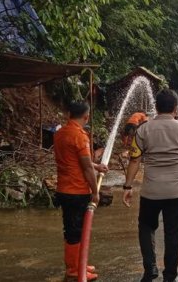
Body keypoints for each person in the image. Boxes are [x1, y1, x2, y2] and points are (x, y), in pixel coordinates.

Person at [123, 89, 178, 282]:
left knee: (146, 227)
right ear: (176, 108)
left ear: (156, 108)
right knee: (173, 233)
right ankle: (170, 275)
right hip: (177, 192)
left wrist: (127, 187)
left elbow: (134, 161)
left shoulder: (143, 129)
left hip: (151, 191)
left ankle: (150, 268)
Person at [53, 102, 109, 281]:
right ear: (86, 117)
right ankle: (74, 269)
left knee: (74, 229)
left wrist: (97, 166)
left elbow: (77, 160)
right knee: (75, 231)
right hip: (76, 190)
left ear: (69, 114)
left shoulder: (60, 133)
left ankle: (79, 264)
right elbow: (86, 168)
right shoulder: (79, 136)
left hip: (64, 188)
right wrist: (95, 191)